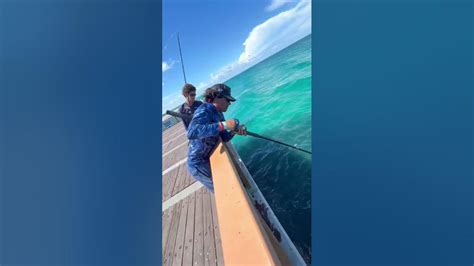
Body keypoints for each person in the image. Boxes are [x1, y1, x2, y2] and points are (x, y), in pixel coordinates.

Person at [186, 83, 247, 192]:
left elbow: (224, 138)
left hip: (208, 158)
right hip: (198, 164)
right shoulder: (204, 109)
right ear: (217, 97)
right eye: (227, 100)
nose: (229, 103)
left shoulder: (219, 114)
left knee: (228, 187)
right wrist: (224, 125)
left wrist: (235, 131)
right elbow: (191, 132)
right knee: (223, 191)